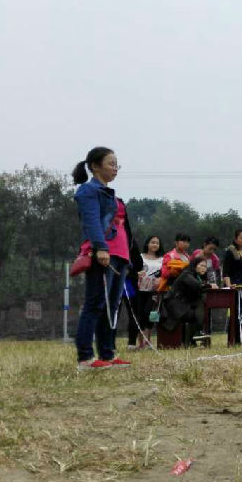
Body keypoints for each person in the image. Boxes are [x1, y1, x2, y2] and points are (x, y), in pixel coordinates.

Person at [72, 146, 140, 369]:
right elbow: (91, 221)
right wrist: (101, 248)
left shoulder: (112, 195)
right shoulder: (88, 191)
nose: (115, 168)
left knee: (112, 306)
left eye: (117, 164)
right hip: (103, 254)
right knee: (95, 304)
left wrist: (130, 258)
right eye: (111, 164)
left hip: (120, 257)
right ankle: (85, 357)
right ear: (95, 166)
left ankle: (108, 354)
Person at [163, 256, 218, 347]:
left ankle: (193, 338)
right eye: (201, 265)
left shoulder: (197, 276)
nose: (204, 268)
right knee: (195, 314)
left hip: (185, 304)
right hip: (175, 305)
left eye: (205, 266)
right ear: (195, 265)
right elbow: (197, 286)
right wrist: (209, 285)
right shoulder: (187, 274)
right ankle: (193, 337)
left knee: (201, 305)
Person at [131, 235, 163, 349]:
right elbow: (133, 270)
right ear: (147, 244)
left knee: (150, 314)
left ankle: (148, 341)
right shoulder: (140, 257)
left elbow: (164, 274)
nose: (155, 245)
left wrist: (160, 279)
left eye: (157, 243)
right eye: (152, 242)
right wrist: (137, 274)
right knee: (140, 315)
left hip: (154, 291)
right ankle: (141, 343)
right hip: (139, 289)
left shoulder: (162, 259)